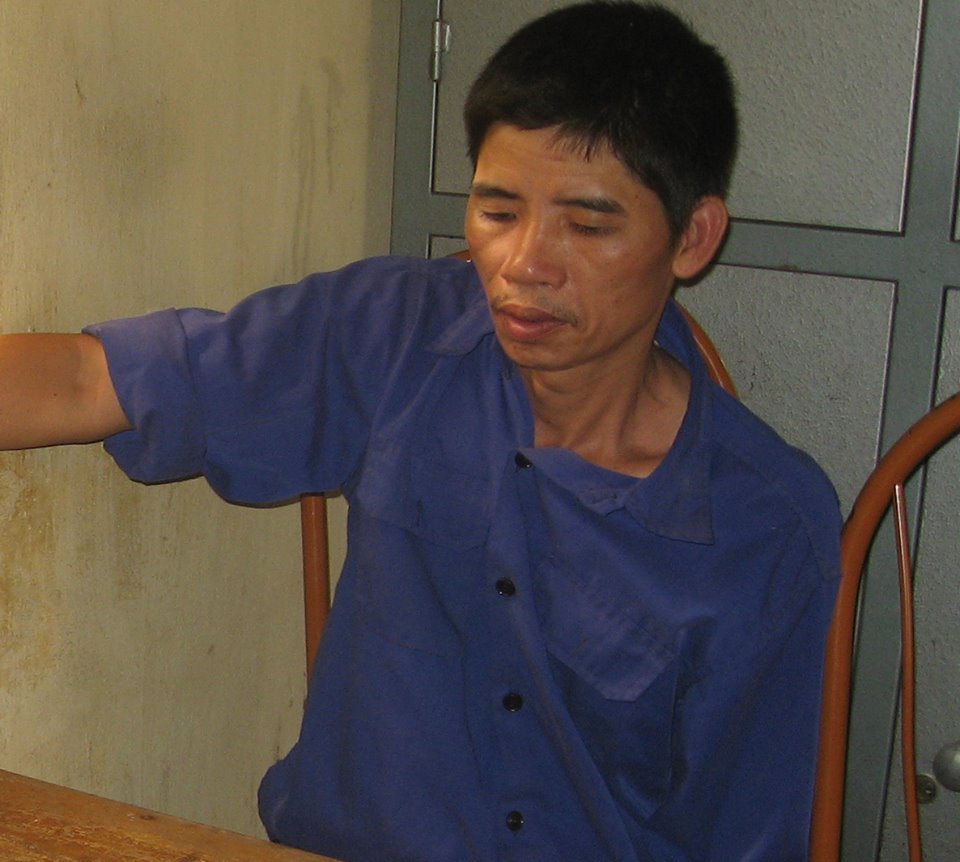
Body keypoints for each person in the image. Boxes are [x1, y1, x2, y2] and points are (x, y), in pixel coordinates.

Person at [0, 3, 841, 860]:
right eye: (498, 212)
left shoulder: (765, 526)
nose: (524, 265)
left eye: (587, 226)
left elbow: (744, 836)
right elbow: (92, 379)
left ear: (692, 238)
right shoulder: (398, 334)